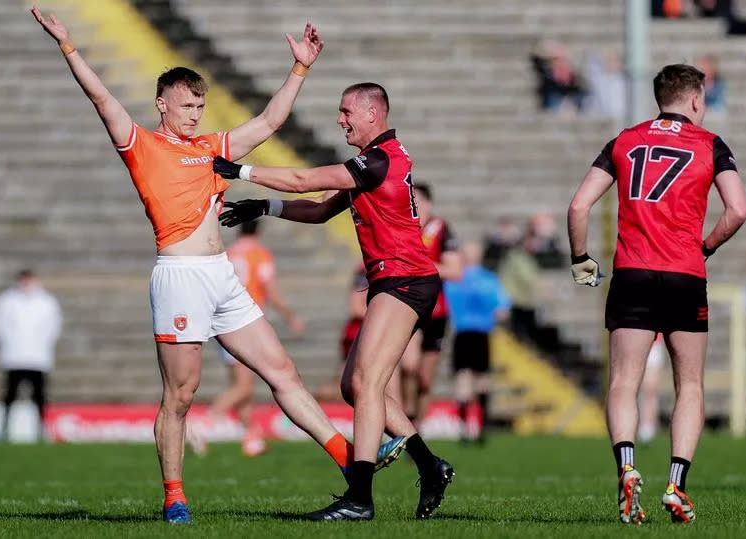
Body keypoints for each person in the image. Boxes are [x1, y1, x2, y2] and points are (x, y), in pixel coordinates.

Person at [30, 7, 403, 524]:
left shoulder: (213, 147)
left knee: (282, 372)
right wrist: (68, 45)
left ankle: (346, 462)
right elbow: (101, 97)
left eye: (201, 105)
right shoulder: (142, 144)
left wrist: (300, 69)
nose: (196, 114)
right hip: (180, 277)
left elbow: (271, 121)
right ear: (162, 104)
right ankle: (174, 496)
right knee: (181, 395)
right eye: (187, 105)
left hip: (221, 276)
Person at [214, 82, 455, 520]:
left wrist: (240, 171)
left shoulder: (378, 160)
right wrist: (264, 207)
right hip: (394, 281)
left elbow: (307, 180)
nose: (340, 119)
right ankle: (429, 465)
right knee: (355, 386)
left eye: (346, 111)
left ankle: (359, 500)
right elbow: (322, 208)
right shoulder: (376, 164)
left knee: (368, 384)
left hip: (405, 280)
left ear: (371, 114)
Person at [567, 63, 746, 524]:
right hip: (685, 273)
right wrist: (704, 246)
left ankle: (627, 468)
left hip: (632, 274)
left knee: (624, 382)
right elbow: (738, 211)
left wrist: (581, 257)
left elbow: (579, 205)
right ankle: (676, 484)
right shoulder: (710, 144)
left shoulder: (625, 140)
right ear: (694, 100)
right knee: (688, 385)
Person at [194, 220, 306, 457]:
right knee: (243, 386)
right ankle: (203, 423)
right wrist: (290, 316)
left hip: (222, 322)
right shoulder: (260, 255)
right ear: (258, 230)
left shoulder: (228, 253)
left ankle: (251, 437)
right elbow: (270, 290)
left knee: (242, 383)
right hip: (244, 323)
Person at [400, 183, 462, 428]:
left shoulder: (441, 229)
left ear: (428, 204)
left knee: (425, 380)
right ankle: (407, 412)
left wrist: (420, 266)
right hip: (409, 307)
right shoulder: (401, 227)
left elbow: (455, 271)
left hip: (437, 311)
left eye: (418, 201)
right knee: (408, 365)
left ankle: (418, 429)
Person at [444, 243, 510, 443]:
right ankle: (482, 429)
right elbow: (503, 312)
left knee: (462, 379)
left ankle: (464, 430)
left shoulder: (454, 280)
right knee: (482, 380)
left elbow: (444, 306)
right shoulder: (489, 280)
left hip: (462, 333)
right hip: (482, 334)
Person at [0, 269, 62, 441]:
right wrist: (9, 343)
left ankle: (40, 430)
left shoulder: (47, 301)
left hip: (38, 356)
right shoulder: (7, 300)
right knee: (10, 395)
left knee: (39, 396)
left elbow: (53, 327)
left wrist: (43, 344)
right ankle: (5, 430)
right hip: (14, 356)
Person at [315, 264, 367, 402]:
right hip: (358, 334)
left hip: (375, 334)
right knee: (349, 387)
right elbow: (355, 308)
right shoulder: (366, 271)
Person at [639, 335, 667, 445]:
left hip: (654, 342)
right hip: (632, 338)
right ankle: (631, 426)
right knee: (632, 387)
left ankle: (648, 426)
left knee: (650, 388)